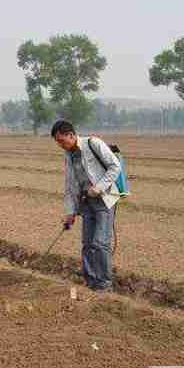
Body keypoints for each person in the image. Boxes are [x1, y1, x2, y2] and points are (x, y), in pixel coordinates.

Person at [51, 120, 121, 292]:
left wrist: (98, 188)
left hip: (105, 199)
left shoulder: (92, 144)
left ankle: (104, 285)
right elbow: (70, 187)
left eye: (62, 140)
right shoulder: (68, 156)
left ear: (71, 135)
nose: (60, 145)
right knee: (87, 243)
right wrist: (70, 212)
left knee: (100, 243)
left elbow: (115, 166)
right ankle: (91, 282)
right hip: (86, 203)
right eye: (57, 142)